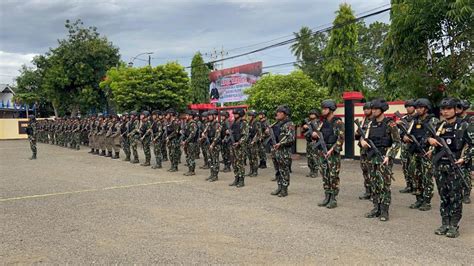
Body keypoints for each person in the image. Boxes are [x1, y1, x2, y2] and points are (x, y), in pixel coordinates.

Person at [427, 98, 471, 238]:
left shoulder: (464, 125)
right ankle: (444, 223)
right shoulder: (439, 126)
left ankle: (453, 225)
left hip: (455, 166)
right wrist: (430, 140)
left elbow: (472, 145)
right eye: (443, 109)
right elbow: (426, 137)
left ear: (455, 110)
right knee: (444, 196)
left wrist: (465, 158)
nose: (445, 112)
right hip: (440, 166)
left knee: (455, 197)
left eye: (448, 109)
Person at [360, 99, 400, 221]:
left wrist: (389, 155)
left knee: (384, 185)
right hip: (371, 158)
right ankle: (376, 207)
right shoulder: (370, 124)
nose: (374, 111)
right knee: (373, 184)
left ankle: (384, 210)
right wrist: (362, 142)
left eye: (376, 109)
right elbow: (364, 138)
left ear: (382, 110)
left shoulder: (390, 124)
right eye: (373, 109)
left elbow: (397, 142)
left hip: (384, 158)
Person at [406, 98, 438, 211]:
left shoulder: (433, 120)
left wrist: (432, 148)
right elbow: (408, 133)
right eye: (417, 107)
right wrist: (405, 137)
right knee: (416, 176)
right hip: (415, 152)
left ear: (426, 108)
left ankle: (427, 201)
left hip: (426, 152)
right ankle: (419, 199)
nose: (418, 109)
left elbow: (437, 138)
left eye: (421, 107)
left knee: (427, 177)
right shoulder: (414, 120)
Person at [317, 100, 345, 209]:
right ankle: (327, 196)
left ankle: (333, 198)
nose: (323, 110)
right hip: (322, 152)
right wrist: (314, 135)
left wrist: (332, 149)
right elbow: (318, 135)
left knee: (333, 176)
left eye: (325, 109)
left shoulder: (338, 122)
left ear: (330, 109)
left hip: (332, 153)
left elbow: (340, 138)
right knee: (325, 175)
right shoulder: (322, 123)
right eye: (322, 108)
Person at [268, 105, 295, 197]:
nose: (277, 114)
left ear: (285, 114)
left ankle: (284, 189)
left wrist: (280, 143)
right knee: (277, 170)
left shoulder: (289, 124)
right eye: (278, 112)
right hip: (275, 150)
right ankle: (279, 187)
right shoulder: (276, 123)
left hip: (283, 151)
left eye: (280, 112)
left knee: (284, 170)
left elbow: (291, 138)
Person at [399, 100, 417, 193]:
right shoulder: (404, 118)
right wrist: (403, 136)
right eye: (407, 106)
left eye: (410, 106)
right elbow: (399, 133)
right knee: (405, 166)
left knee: (414, 167)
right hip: (405, 145)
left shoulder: (417, 118)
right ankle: (408, 185)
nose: (408, 108)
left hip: (414, 146)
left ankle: (416, 186)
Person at [456, 99, 472, 204]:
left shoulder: (470, 120)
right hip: (456, 148)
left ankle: (466, 194)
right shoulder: (455, 120)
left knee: (466, 173)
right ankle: (458, 193)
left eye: (458, 107)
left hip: (466, 149)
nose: (456, 109)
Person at [355, 102, 372, 200]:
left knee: (372, 171)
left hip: (371, 150)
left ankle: (374, 192)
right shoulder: (363, 121)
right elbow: (358, 135)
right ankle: (368, 191)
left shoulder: (374, 121)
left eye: (367, 109)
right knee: (365, 171)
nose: (366, 110)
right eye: (364, 109)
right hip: (363, 150)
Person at [228, 108, 249, 188]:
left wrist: (239, 142)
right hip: (233, 145)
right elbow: (232, 131)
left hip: (240, 146)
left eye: (236, 114)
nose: (234, 115)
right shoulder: (234, 123)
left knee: (240, 163)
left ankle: (241, 180)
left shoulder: (243, 123)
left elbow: (245, 135)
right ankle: (236, 178)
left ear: (240, 114)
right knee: (234, 163)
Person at [302, 109, 321, 178]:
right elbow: (303, 132)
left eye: (313, 114)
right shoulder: (308, 122)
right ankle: (311, 170)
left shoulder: (319, 122)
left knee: (314, 157)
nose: (311, 115)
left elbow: (319, 131)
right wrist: (304, 127)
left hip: (315, 142)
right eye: (310, 114)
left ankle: (315, 171)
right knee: (309, 157)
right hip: (309, 142)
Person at [204, 110, 222, 182]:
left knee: (215, 160)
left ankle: (215, 175)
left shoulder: (217, 124)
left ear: (214, 116)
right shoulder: (209, 124)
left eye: (210, 115)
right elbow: (205, 132)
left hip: (215, 145)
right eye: (209, 115)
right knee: (210, 160)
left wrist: (213, 144)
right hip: (209, 143)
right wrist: (204, 134)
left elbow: (217, 136)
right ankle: (212, 174)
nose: (209, 116)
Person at [182, 110, 199, 176]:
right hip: (188, 142)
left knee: (191, 157)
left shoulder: (193, 123)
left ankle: (192, 171)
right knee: (188, 156)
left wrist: (186, 141)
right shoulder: (188, 123)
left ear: (191, 116)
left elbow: (192, 134)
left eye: (187, 115)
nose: (186, 116)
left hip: (191, 142)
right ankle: (190, 169)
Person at [246, 110, 262, 177]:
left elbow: (259, 133)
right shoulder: (249, 123)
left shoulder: (257, 123)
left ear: (253, 116)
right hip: (249, 141)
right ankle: (251, 170)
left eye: (250, 115)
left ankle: (255, 171)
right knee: (250, 157)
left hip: (254, 142)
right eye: (248, 115)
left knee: (254, 157)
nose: (249, 117)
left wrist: (254, 141)